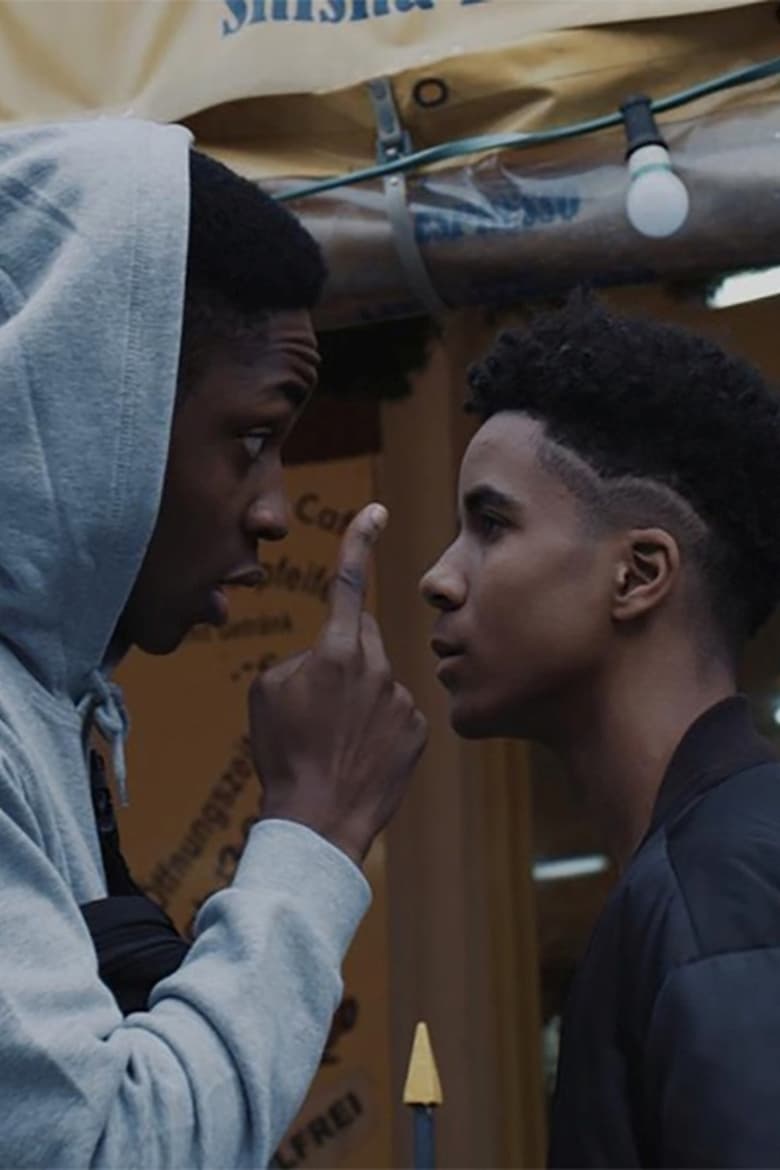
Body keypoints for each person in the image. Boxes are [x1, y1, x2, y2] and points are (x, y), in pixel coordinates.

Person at [0, 118, 426, 1167]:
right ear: (103, 403)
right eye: (253, 437)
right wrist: (314, 830)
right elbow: (101, 1148)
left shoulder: (41, 708)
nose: (276, 510)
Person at [420, 292, 780, 1167]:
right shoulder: (706, 870)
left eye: (492, 524)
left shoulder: (713, 892)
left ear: (638, 573)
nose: (439, 577)